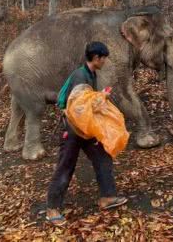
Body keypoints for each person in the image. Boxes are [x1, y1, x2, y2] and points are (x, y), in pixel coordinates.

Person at [46, 41, 127, 227]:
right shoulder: (80, 76)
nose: (105, 61)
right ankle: (52, 208)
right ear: (96, 58)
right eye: (104, 58)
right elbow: (79, 107)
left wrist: (100, 96)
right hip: (73, 129)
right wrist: (101, 97)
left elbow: (87, 102)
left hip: (86, 127)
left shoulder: (91, 74)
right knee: (66, 166)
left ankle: (107, 197)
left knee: (102, 157)